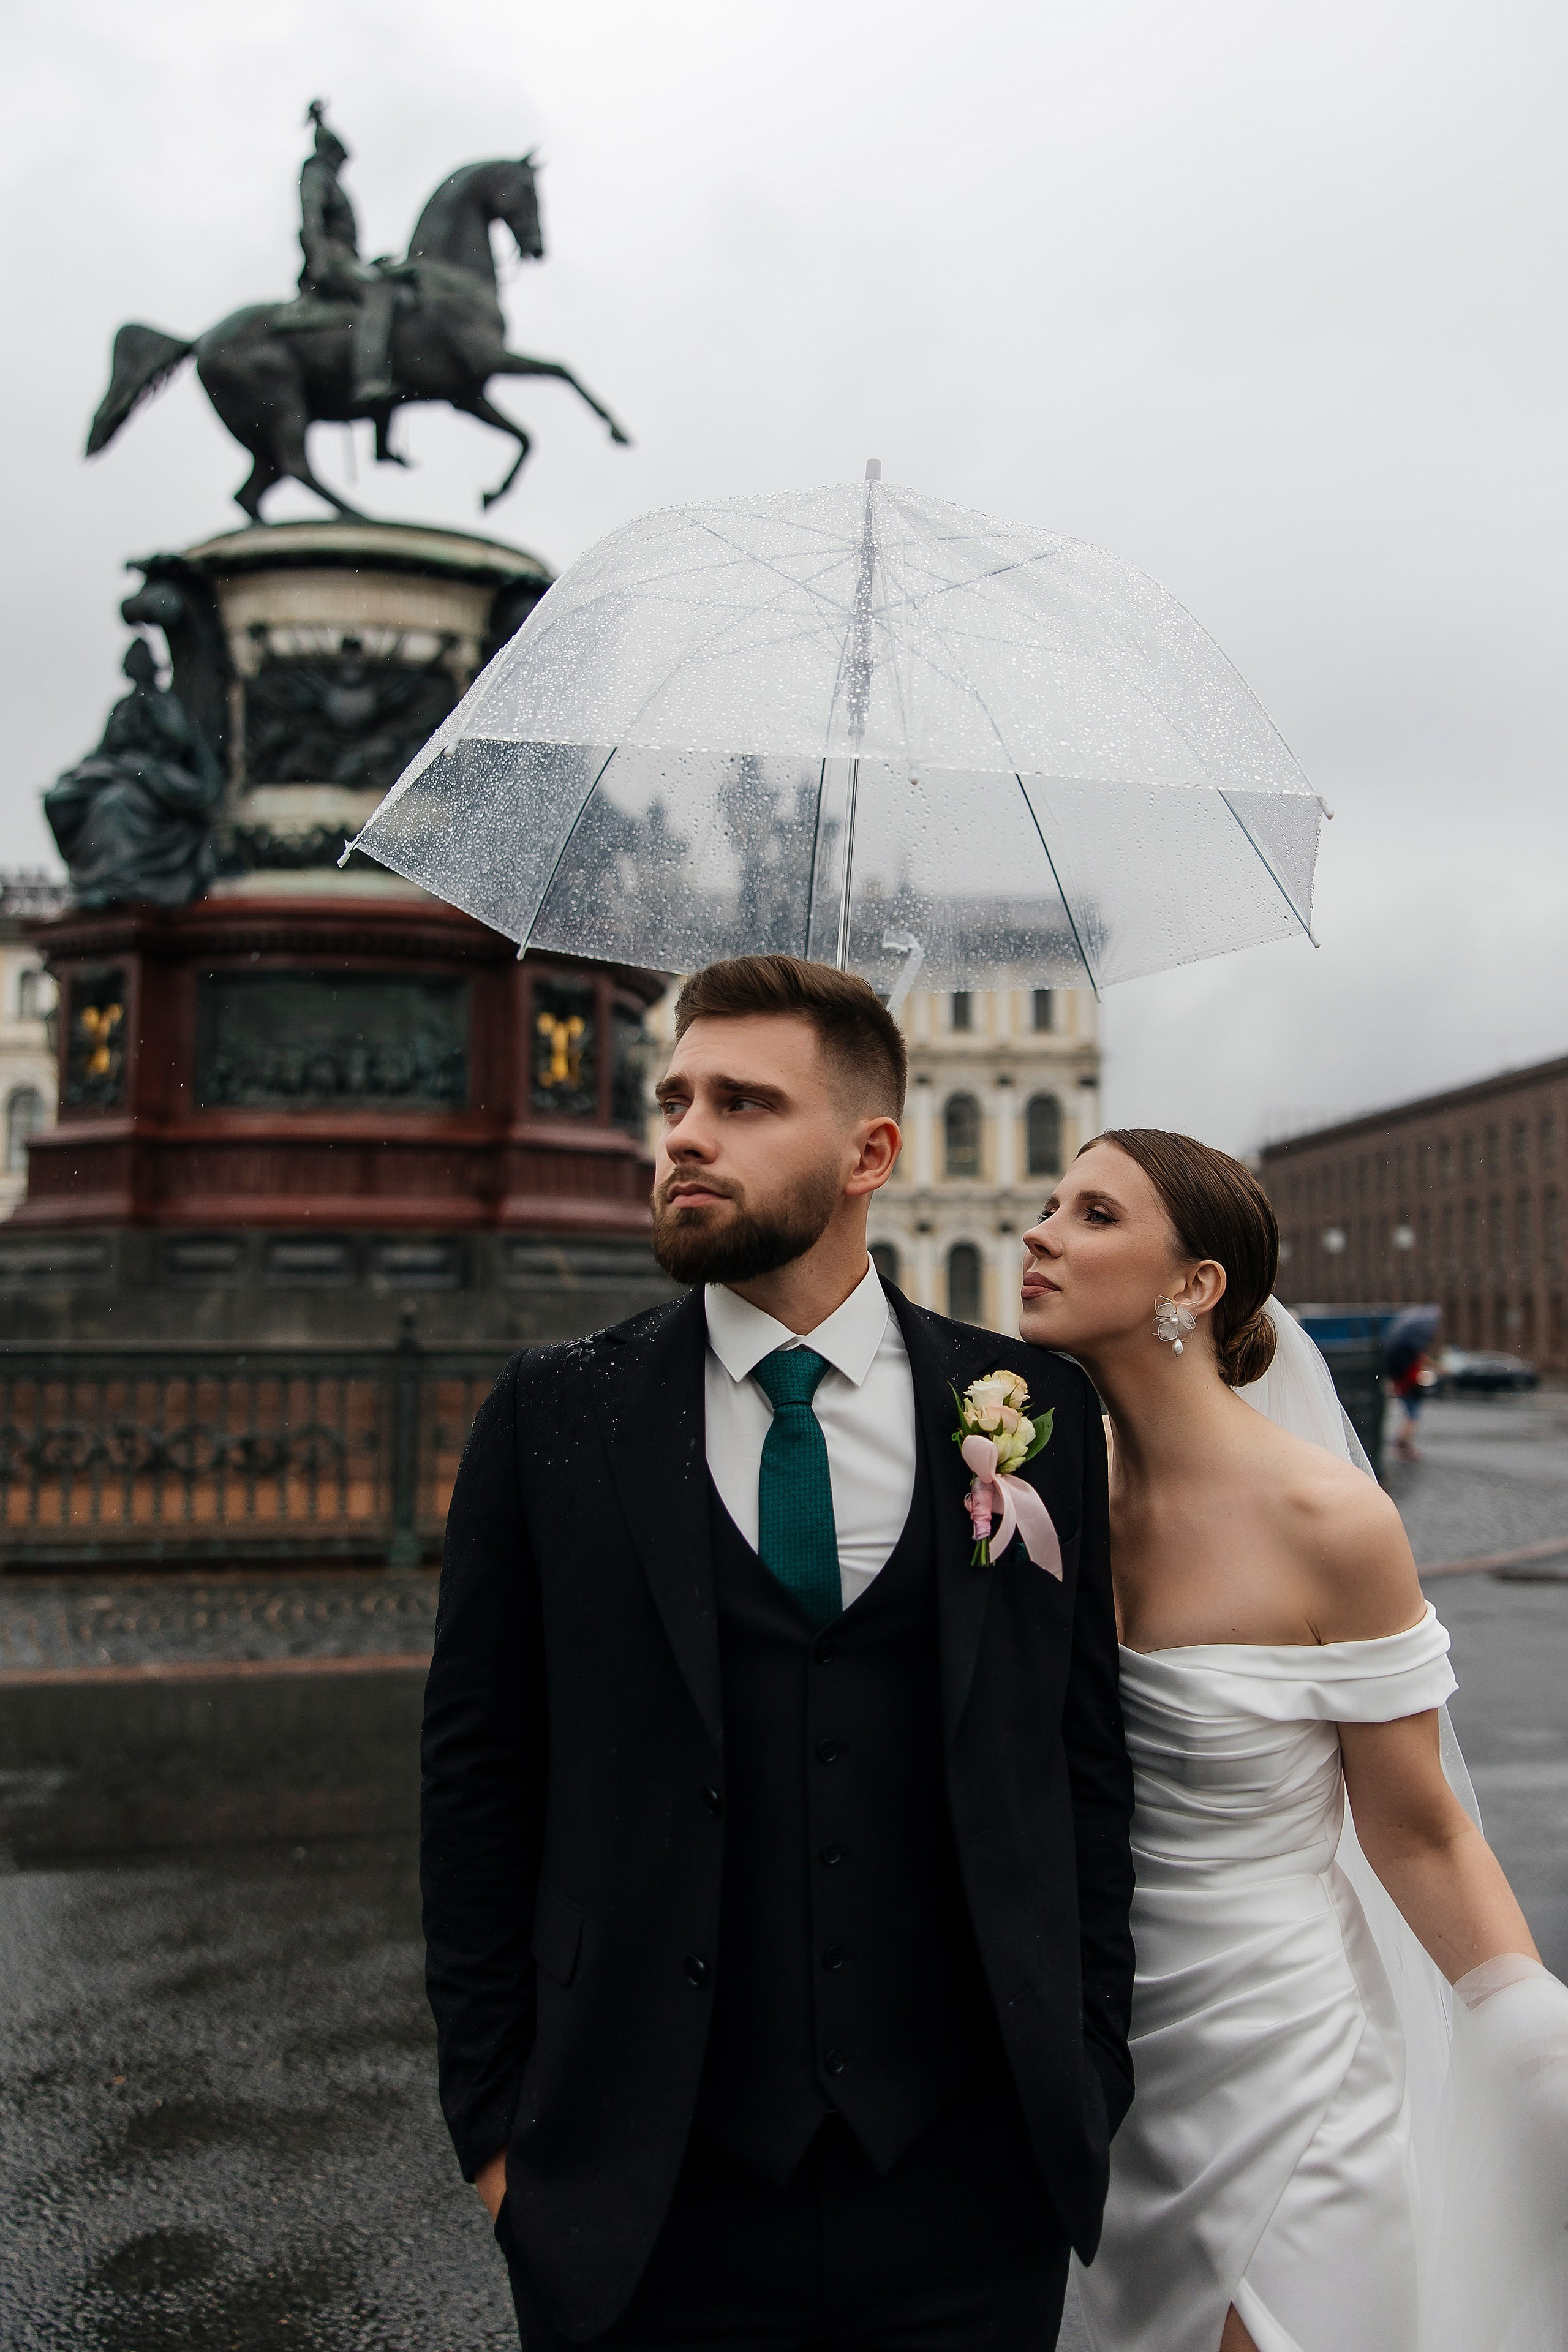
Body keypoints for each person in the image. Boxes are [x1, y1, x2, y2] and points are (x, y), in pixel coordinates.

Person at [421, 953, 1135, 2351]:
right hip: (642, 2196)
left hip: (969, 2183)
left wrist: (1082, 2067)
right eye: (676, 1100)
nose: (685, 1135)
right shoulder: (552, 1413)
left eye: (743, 1103)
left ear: (870, 1153)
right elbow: (476, 1786)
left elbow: (1080, 1760)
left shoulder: (1025, 1408)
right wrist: (498, 2137)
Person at [1016, 1129, 1568, 2352]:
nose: (1038, 1234)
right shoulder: (1036, 1495)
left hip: (1284, 2050)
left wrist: (1531, 2038)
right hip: (1097, 2052)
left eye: (1093, 1214)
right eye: (1049, 1205)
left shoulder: (1328, 1520)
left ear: (1194, 1285)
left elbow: (1419, 1831)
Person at [297, 99, 405, 407]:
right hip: (331, 257)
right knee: (377, 290)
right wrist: (319, 259)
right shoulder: (316, 176)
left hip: (345, 257)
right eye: (339, 159)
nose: (341, 165)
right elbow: (312, 220)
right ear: (329, 153)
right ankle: (368, 379)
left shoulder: (329, 180)